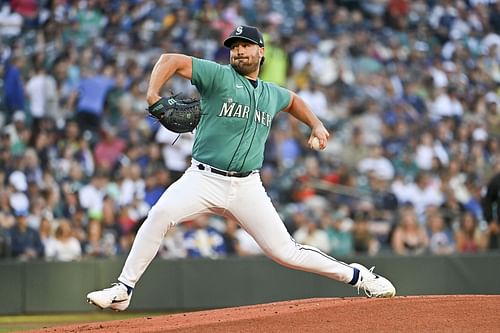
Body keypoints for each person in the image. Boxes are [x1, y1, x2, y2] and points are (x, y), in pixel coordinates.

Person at [86, 25, 395, 311]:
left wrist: (316, 124)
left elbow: (293, 100)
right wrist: (153, 94)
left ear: (261, 52)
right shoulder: (218, 76)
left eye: (246, 45)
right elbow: (171, 59)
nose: (239, 51)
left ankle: (358, 277)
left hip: (247, 186)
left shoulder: (271, 93)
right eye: (234, 46)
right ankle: (123, 289)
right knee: (160, 215)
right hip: (203, 178)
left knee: (286, 252)